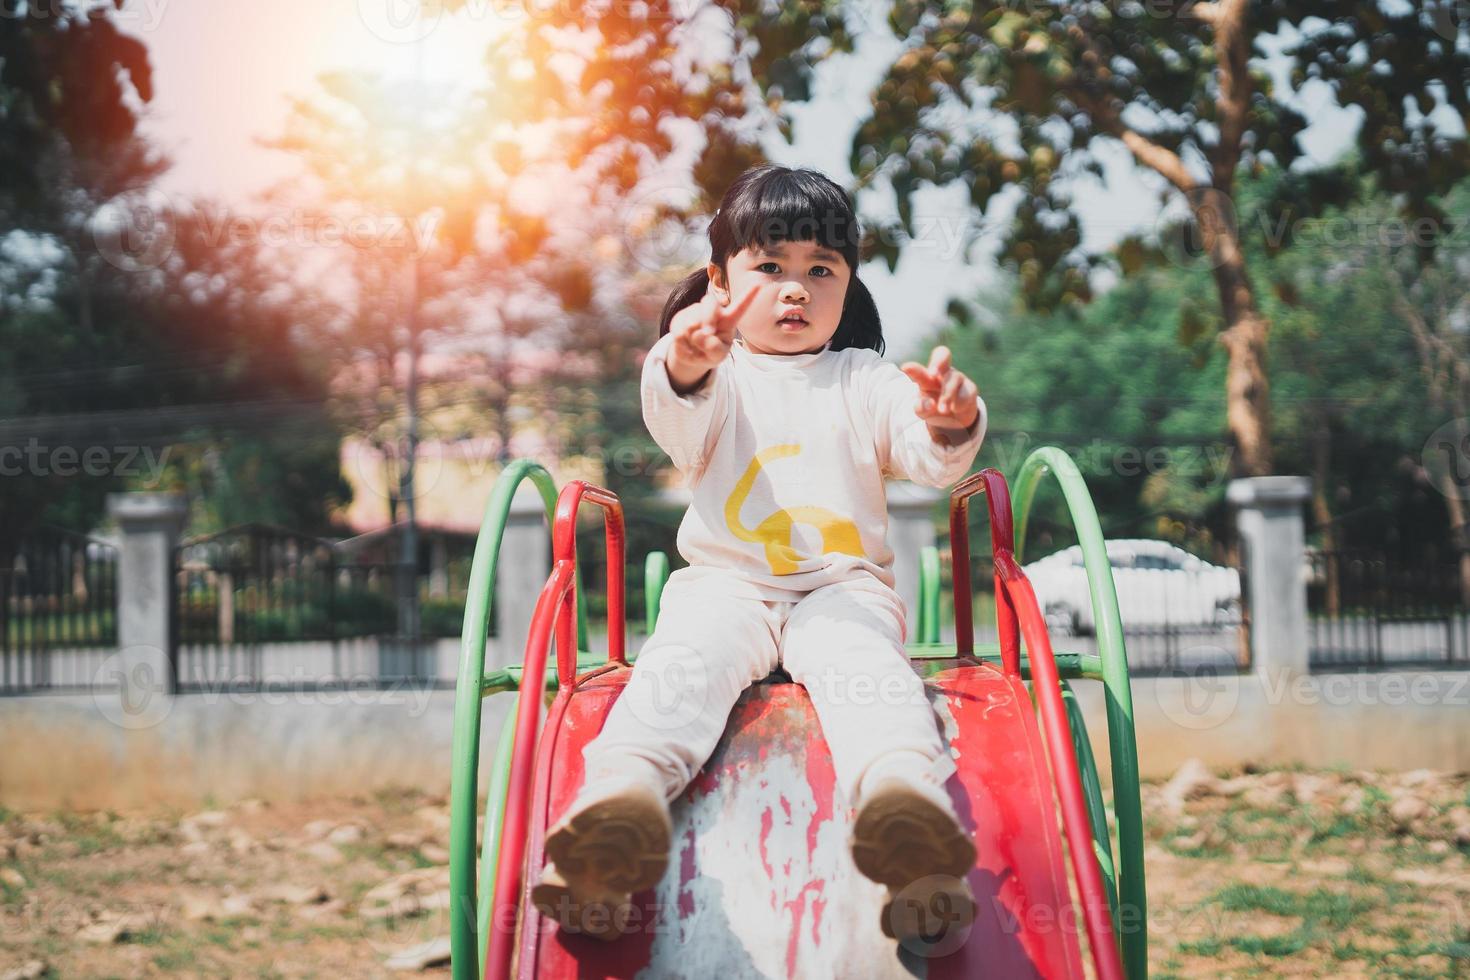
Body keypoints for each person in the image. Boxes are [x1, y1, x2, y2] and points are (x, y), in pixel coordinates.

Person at [531, 164, 987, 944]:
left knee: (867, 673)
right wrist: (685, 356)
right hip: (726, 585)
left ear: (848, 284)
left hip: (840, 588)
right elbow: (674, 416)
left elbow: (928, 456)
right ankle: (618, 806)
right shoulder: (716, 377)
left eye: (821, 271)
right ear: (721, 281)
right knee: (682, 670)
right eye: (769, 269)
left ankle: (905, 811)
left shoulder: (864, 378)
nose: (795, 290)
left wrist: (949, 420)